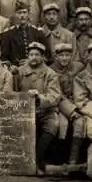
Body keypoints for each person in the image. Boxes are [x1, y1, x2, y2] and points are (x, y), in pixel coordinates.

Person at [14, 42, 61, 174]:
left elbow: (55, 96)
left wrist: (39, 96)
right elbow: (13, 91)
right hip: (24, 110)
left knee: (53, 125)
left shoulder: (50, 73)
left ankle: (36, 160)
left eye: (37, 55)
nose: (33, 57)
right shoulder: (20, 72)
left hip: (46, 111)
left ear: (42, 57)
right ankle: (22, 161)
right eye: (31, 55)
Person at [49, 43, 85, 163]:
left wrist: (78, 105)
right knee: (61, 124)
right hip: (59, 106)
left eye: (67, 55)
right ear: (56, 57)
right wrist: (71, 110)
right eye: (61, 55)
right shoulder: (51, 70)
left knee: (80, 123)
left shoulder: (79, 67)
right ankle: (59, 160)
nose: (64, 58)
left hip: (77, 103)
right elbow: (56, 94)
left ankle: (73, 160)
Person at [0, 1, 51, 69]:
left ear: (29, 14)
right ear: (15, 14)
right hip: (16, 70)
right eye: (19, 13)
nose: (22, 15)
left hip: (36, 68)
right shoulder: (7, 34)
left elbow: (47, 55)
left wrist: (32, 61)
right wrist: (11, 66)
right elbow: (4, 58)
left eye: (24, 12)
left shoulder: (38, 32)